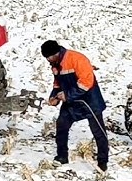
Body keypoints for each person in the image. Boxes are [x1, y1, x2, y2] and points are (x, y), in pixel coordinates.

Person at [41, 40, 109, 172]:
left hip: (89, 100)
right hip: (71, 103)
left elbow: (86, 83)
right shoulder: (55, 64)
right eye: (46, 58)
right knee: (61, 125)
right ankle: (62, 156)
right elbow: (57, 83)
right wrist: (54, 96)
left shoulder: (77, 59)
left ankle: (103, 161)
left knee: (98, 132)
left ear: (56, 53)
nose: (48, 60)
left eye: (49, 57)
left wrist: (67, 95)